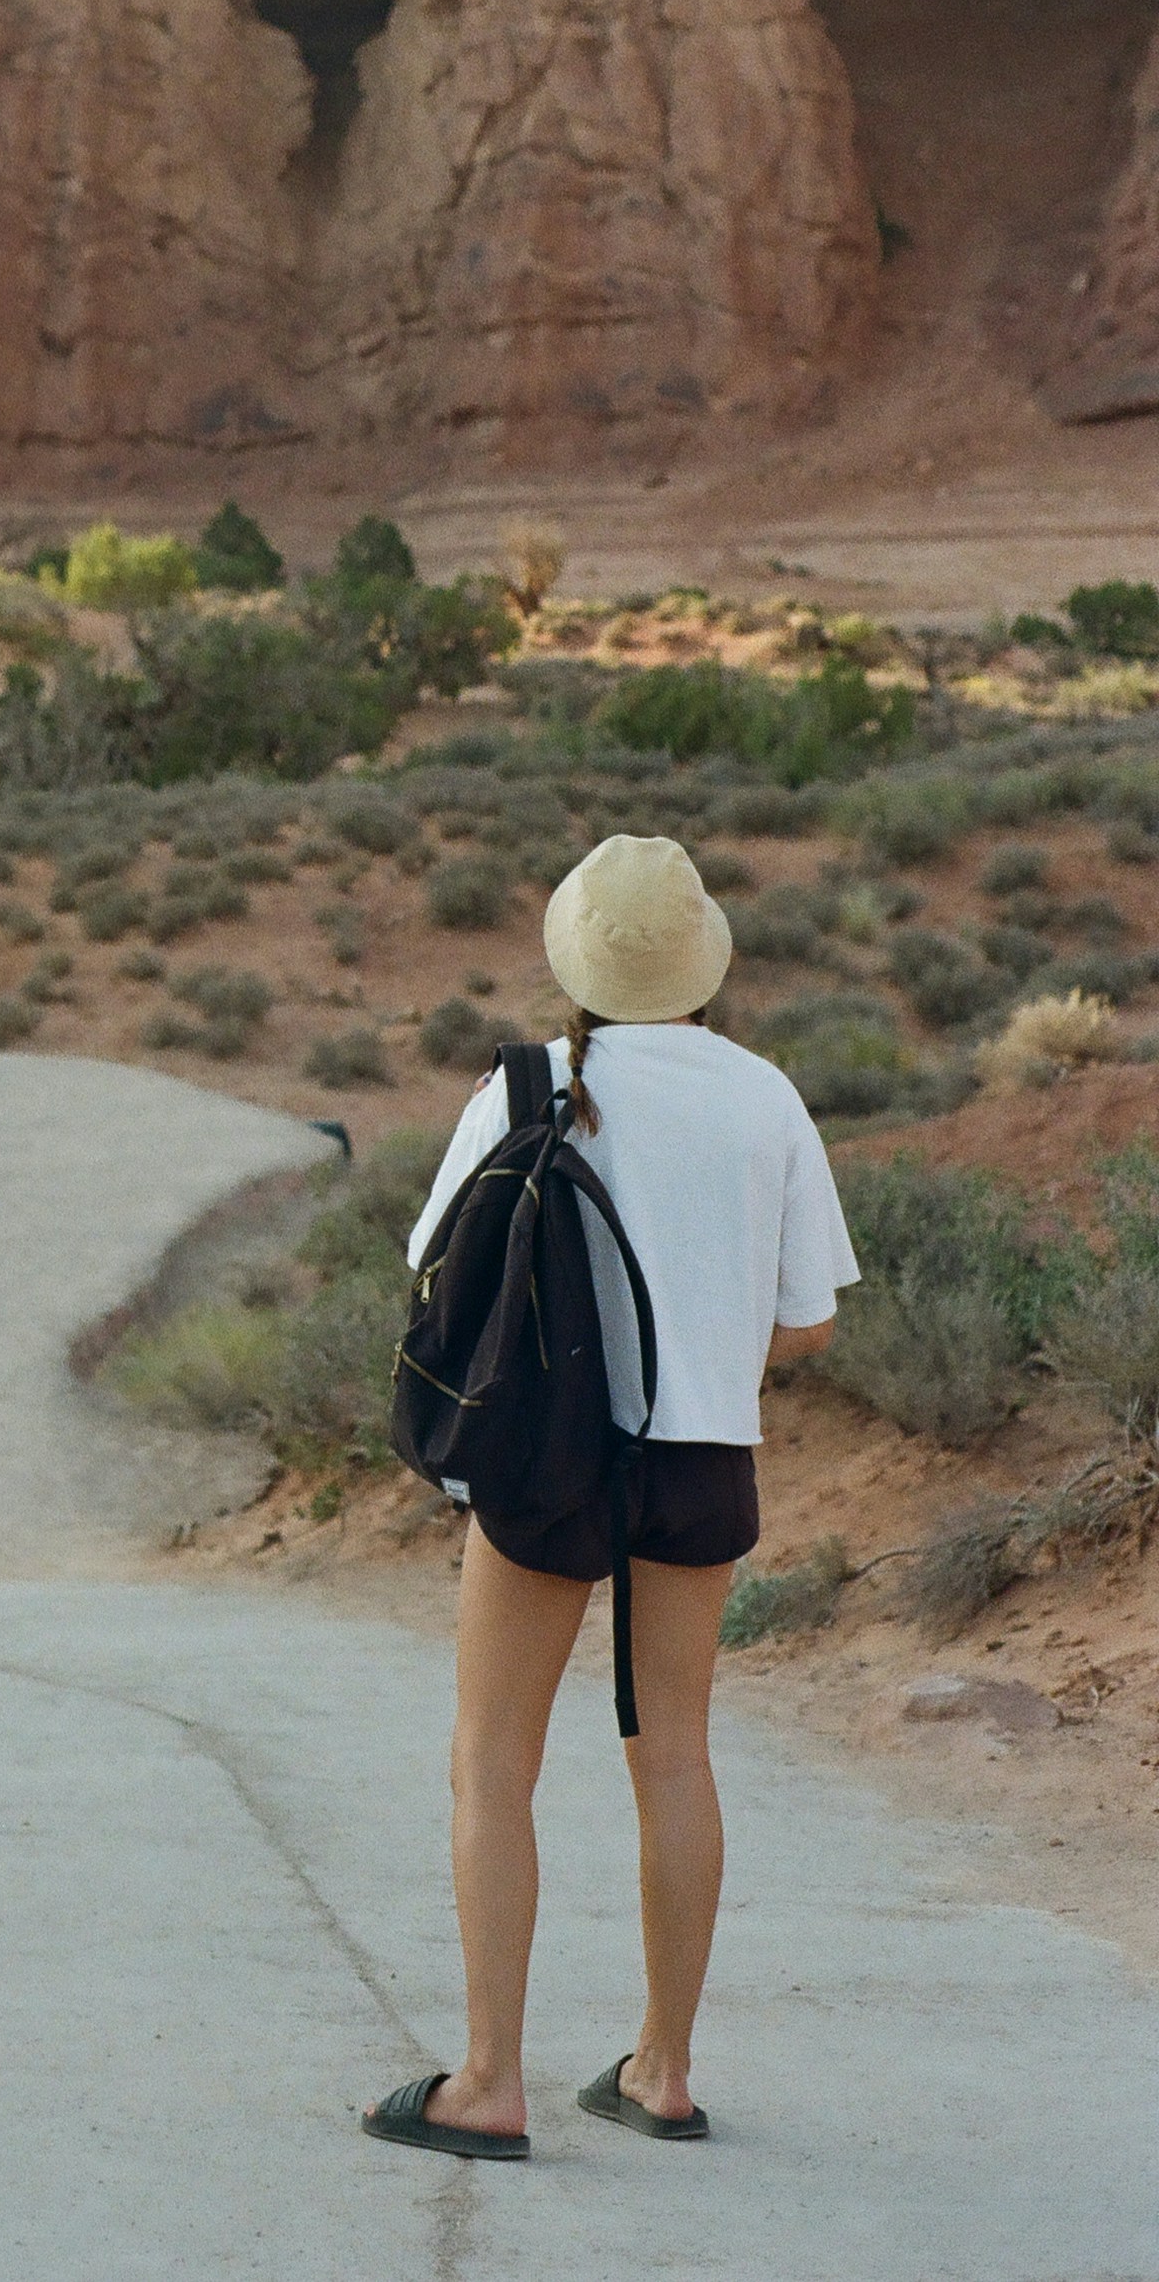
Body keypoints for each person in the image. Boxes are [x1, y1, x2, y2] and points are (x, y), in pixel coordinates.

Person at [362, 833, 859, 2164]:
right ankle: (665, 2071)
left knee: (492, 1758)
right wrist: (704, 1335)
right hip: (701, 1460)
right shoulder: (766, 1098)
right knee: (677, 1754)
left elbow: (435, 1261)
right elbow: (809, 1325)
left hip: (546, 1458)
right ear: (703, 961)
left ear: (576, 958)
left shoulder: (530, 1085)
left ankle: (488, 2084)